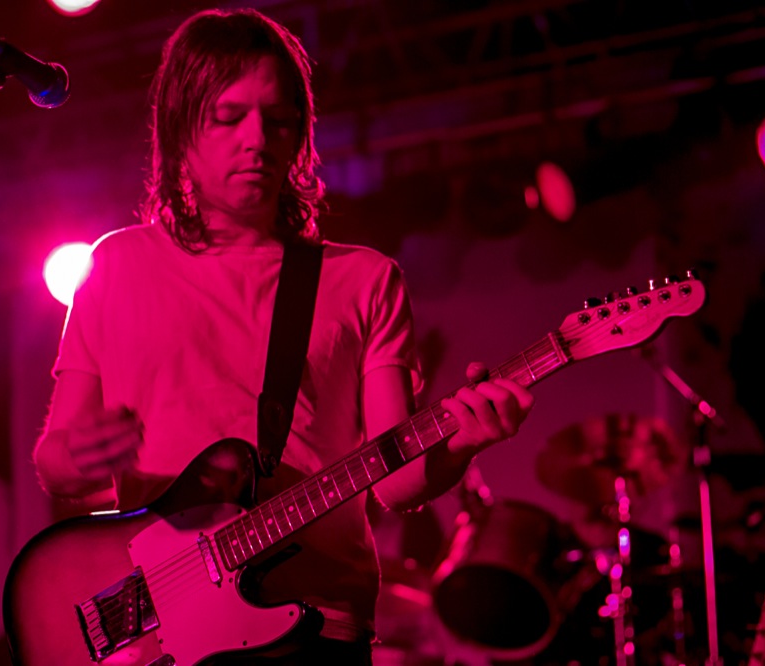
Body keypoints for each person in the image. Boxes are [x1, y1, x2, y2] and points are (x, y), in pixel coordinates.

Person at [32, 8, 534, 664]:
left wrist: (462, 443)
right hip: (157, 631)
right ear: (182, 127)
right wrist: (81, 456)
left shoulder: (363, 280)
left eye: (278, 119)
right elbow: (52, 462)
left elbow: (396, 482)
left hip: (314, 627)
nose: (257, 139)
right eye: (229, 115)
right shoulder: (114, 268)